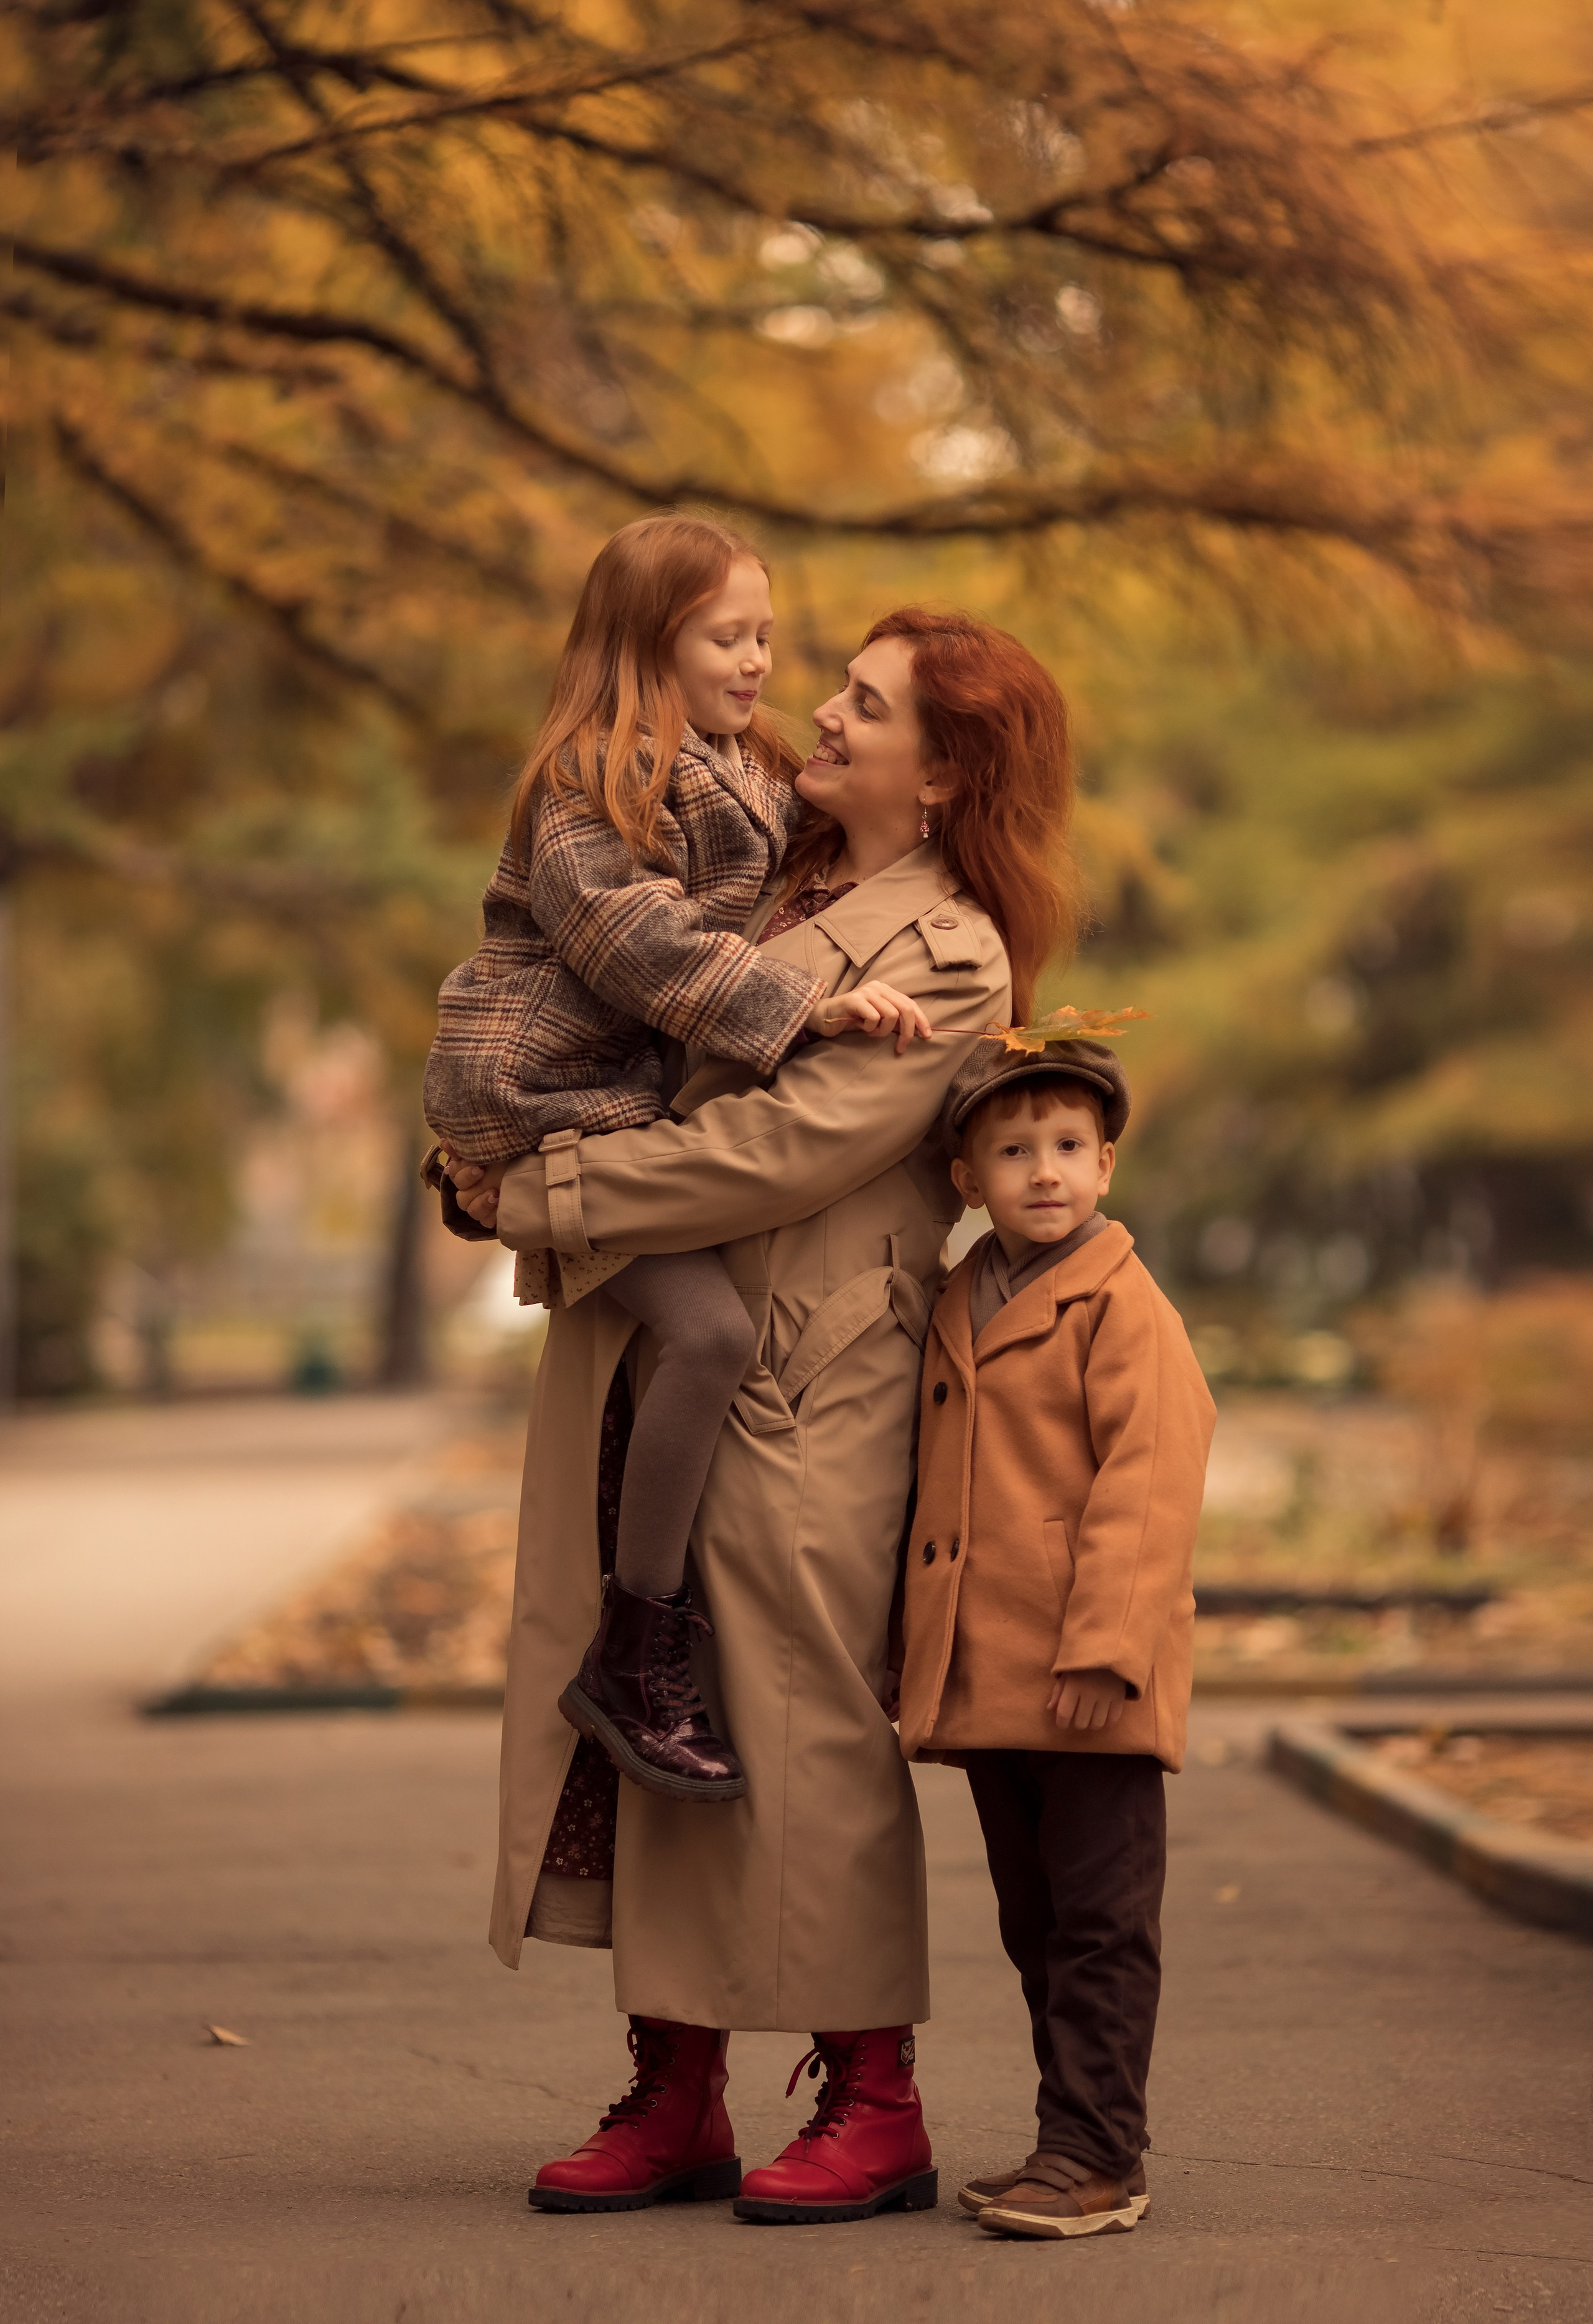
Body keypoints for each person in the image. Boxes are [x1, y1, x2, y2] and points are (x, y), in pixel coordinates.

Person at [443, 607, 1078, 2223]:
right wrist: (505, 1130)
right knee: (661, 1704)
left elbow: (784, 1150)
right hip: (667, 1350)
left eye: (865, 704)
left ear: (943, 776)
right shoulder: (755, 877)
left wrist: (548, 1186)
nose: (822, 712)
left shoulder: (948, 947)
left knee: (803, 1722)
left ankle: (877, 2091)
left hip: (814, 1367)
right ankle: (677, 2083)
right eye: (837, 687)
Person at [423, 513, 933, 1804]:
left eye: (765, 632)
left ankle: (647, 1633)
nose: (760, 659)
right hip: (541, 1091)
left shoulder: (736, 763)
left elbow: (792, 881)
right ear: (646, 645)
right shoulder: (587, 780)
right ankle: (637, 1644)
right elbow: (631, 944)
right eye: (726, 635)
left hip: (625, 1101)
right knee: (706, 1336)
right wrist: (804, 1007)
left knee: (706, 1339)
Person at [896, 1039, 1215, 2241]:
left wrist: (1106, 1646)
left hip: (1092, 1678)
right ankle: (1064, 2136)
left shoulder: (1125, 1306)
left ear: (1107, 1164)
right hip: (993, 1675)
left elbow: (1151, 1480)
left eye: (1069, 1148)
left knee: (1100, 1920)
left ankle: (1099, 2152)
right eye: (1015, 1149)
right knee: (1033, 1921)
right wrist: (914, 1649)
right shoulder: (962, 1293)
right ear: (968, 1174)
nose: (1046, 1171)